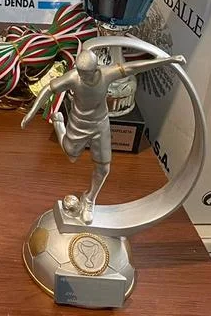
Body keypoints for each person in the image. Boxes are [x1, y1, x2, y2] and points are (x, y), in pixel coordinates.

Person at [22, 47, 185, 223]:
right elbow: (48, 89)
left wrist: (168, 60)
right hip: (78, 122)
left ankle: (90, 198)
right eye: (80, 72)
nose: (82, 76)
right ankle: (59, 124)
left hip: (100, 124)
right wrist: (31, 114)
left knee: (104, 167)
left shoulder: (107, 74)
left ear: (95, 69)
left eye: (85, 73)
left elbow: (134, 67)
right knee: (71, 156)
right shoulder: (73, 77)